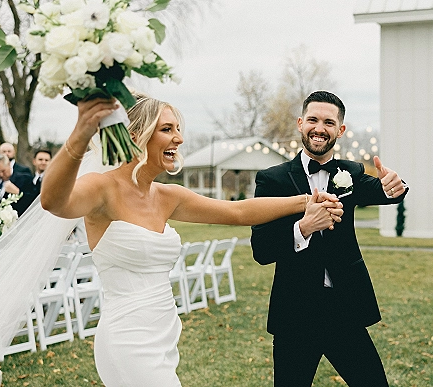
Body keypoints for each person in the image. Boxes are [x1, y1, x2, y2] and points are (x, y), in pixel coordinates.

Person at [40, 92, 344, 386]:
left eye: (178, 129)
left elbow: (238, 212)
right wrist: (81, 133)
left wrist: (308, 200)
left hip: (163, 333)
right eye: (167, 129)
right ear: (137, 135)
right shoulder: (100, 189)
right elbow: (53, 201)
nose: (179, 139)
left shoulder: (167, 195)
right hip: (127, 337)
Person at [250, 91, 409, 387]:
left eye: (328, 122)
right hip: (295, 313)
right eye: (312, 119)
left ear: (340, 130)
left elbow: (385, 191)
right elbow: (261, 249)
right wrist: (303, 228)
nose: (319, 128)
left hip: (344, 309)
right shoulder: (272, 179)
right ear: (300, 123)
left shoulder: (350, 172)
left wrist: (395, 186)